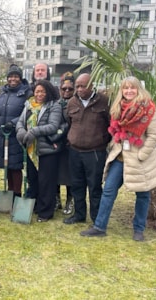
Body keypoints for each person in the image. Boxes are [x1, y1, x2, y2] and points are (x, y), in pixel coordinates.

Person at [80, 77, 156, 241]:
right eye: (126, 88)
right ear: (122, 91)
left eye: (132, 88)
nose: (129, 91)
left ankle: (139, 230)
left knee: (143, 195)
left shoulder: (148, 109)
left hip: (140, 159)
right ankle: (99, 226)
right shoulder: (118, 108)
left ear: (138, 89)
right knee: (109, 191)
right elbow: (115, 131)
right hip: (120, 156)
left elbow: (154, 135)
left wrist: (142, 154)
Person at [63, 73, 111, 225]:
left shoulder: (103, 102)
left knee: (95, 186)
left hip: (95, 152)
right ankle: (79, 214)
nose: (79, 89)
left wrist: (102, 140)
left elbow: (110, 125)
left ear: (92, 85)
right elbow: (69, 122)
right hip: (75, 151)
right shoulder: (71, 102)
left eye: (83, 86)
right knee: (77, 185)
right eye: (77, 86)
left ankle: (97, 218)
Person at [16, 80, 62, 222]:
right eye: (37, 91)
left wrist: (34, 131)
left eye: (42, 91)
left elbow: (53, 126)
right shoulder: (29, 105)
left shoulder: (54, 105)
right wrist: (21, 131)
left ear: (48, 92)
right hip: (31, 149)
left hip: (46, 150)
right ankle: (35, 206)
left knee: (46, 182)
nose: (39, 94)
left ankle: (46, 212)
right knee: (33, 179)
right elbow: (20, 121)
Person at [0, 64, 32, 197]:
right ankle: (9, 192)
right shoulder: (3, 94)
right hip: (2, 135)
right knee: (6, 165)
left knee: (15, 166)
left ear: (20, 78)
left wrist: (13, 123)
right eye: (10, 77)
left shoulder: (26, 94)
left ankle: (17, 193)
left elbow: (28, 113)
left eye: (16, 76)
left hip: (16, 135)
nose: (12, 79)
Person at [54, 72, 75, 214]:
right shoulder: (55, 103)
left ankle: (69, 200)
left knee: (69, 175)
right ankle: (56, 199)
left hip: (71, 144)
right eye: (64, 89)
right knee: (55, 173)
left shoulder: (76, 104)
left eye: (70, 89)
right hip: (55, 143)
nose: (66, 91)